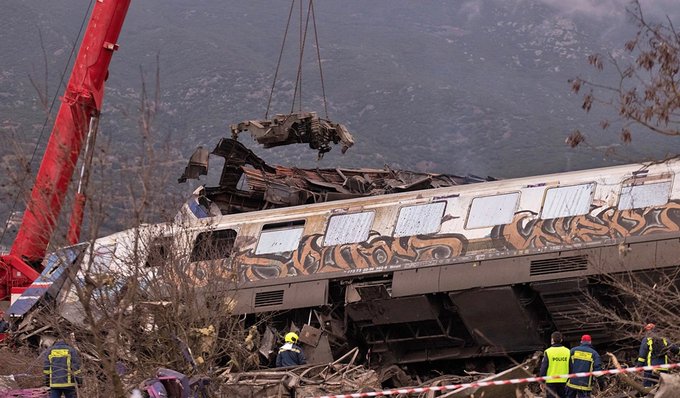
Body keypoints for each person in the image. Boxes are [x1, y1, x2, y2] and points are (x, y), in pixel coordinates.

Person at [636, 322, 679, 387]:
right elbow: (674, 349)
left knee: (648, 386)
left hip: (650, 368)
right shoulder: (663, 339)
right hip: (664, 368)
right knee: (662, 386)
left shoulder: (646, 340)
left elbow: (642, 355)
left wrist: (639, 366)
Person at [540, 331, 571, 398]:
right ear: (561, 340)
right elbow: (571, 367)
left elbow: (544, 368)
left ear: (552, 340)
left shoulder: (548, 352)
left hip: (550, 380)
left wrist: (542, 381)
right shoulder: (568, 351)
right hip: (564, 380)